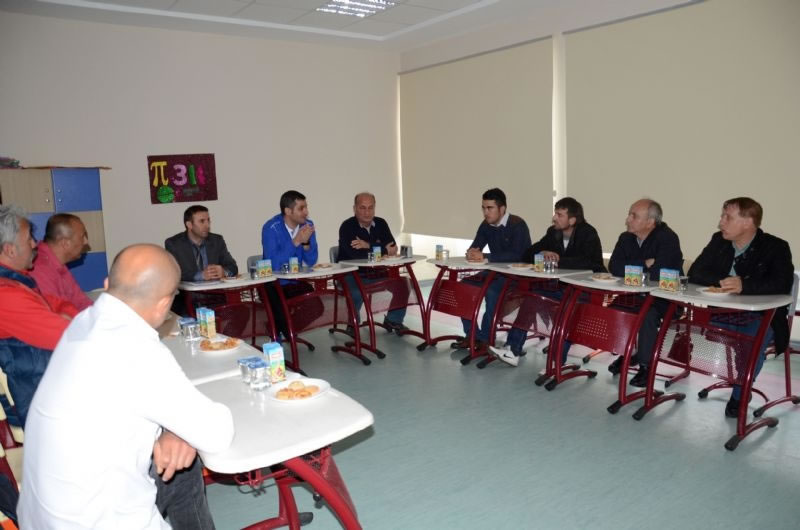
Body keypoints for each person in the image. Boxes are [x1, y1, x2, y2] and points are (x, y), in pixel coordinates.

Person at [18, 244, 235, 528]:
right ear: (164, 305)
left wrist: (175, 430)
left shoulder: (84, 322)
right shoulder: (138, 351)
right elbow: (216, 433)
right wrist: (185, 429)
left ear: (108, 284)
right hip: (99, 521)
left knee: (182, 470)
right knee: (186, 455)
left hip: (41, 517)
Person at [688, 197, 793, 418]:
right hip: (721, 313)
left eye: (728, 217)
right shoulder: (719, 241)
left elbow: (782, 284)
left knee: (750, 344)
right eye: (722, 216)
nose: (721, 222)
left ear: (748, 222)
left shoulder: (776, 247)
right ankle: (741, 382)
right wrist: (724, 283)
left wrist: (745, 286)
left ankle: (739, 394)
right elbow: (696, 272)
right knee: (682, 327)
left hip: (762, 317)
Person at [490, 197, 605, 366]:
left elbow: (589, 263)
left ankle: (556, 363)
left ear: (572, 220)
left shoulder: (588, 233)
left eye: (559, 215)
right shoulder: (553, 232)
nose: (554, 218)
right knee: (532, 297)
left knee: (567, 310)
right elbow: (527, 254)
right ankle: (512, 350)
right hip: (561, 287)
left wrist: (558, 260)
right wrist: (542, 252)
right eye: (555, 213)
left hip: (585, 290)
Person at [0, 205, 78, 426]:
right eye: (29, 240)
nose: (35, 244)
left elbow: (60, 304)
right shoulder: (6, 295)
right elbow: (68, 336)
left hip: (48, 386)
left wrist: (67, 317)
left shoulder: (18, 282)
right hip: (38, 403)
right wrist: (68, 320)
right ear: (10, 250)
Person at [607, 198, 683, 387]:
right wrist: (644, 264)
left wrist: (634, 267)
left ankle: (646, 366)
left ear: (650, 222)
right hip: (634, 295)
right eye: (629, 214)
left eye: (634, 216)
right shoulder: (626, 238)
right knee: (614, 309)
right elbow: (614, 267)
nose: (628, 219)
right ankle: (628, 353)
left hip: (665, 298)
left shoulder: (667, 238)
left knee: (646, 315)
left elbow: (658, 273)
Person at [455, 188, 531, 353]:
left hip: (516, 276)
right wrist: (472, 252)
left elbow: (518, 255)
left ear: (502, 209)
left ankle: (485, 339)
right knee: (464, 286)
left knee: (492, 292)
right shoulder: (486, 225)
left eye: (490, 208)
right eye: (483, 208)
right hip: (494, 272)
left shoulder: (518, 224)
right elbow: (476, 246)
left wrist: (485, 256)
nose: (485, 212)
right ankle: (472, 335)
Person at [337, 192, 408, 333]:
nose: (367, 212)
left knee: (403, 284)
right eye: (362, 208)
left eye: (370, 207)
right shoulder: (347, 226)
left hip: (377, 272)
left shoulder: (381, 223)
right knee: (356, 292)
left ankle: (393, 320)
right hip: (352, 274)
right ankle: (353, 324)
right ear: (354, 209)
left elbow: (393, 248)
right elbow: (355, 255)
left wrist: (368, 245)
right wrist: (383, 249)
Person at [261, 190, 319, 338]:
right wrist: (296, 241)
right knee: (280, 314)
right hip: (273, 283)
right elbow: (273, 265)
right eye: (301, 208)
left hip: (295, 281)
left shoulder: (308, 225)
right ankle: (282, 330)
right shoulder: (270, 228)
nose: (306, 212)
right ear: (288, 211)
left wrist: (306, 243)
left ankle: (284, 330)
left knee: (317, 307)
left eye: (306, 207)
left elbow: (311, 261)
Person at [165, 205, 238, 314]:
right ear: (189, 224)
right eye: (202, 221)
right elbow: (174, 274)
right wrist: (200, 275)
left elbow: (233, 267)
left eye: (208, 220)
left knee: (239, 313)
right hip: (187, 300)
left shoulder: (217, 240)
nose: (207, 225)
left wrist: (224, 271)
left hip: (215, 298)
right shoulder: (174, 244)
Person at [30, 213, 93, 311]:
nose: (85, 242)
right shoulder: (40, 269)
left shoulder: (56, 262)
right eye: (82, 237)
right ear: (65, 243)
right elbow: (58, 315)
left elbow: (81, 302)